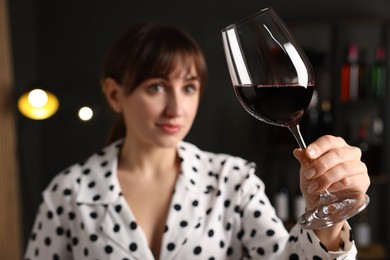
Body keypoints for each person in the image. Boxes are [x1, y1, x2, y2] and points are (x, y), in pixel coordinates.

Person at [24, 22, 370, 259]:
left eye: (188, 87)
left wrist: (326, 219)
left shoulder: (231, 180)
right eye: (156, 87)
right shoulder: (68, 194)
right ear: (115, 95)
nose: (176, 107)